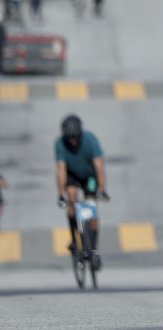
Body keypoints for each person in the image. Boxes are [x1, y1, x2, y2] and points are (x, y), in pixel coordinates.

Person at [55, 115, 109, 268]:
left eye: (75, 138)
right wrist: (61, 195)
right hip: (72, 174)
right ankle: (74, 238)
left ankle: (94, 248)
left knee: (91, 207)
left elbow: (99, 167)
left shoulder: (90, 140)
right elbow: (61, 170)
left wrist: (103, 190)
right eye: (69, 139)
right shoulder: (60, 144)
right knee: (72, 199)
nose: (72, 142)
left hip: (89, 176)